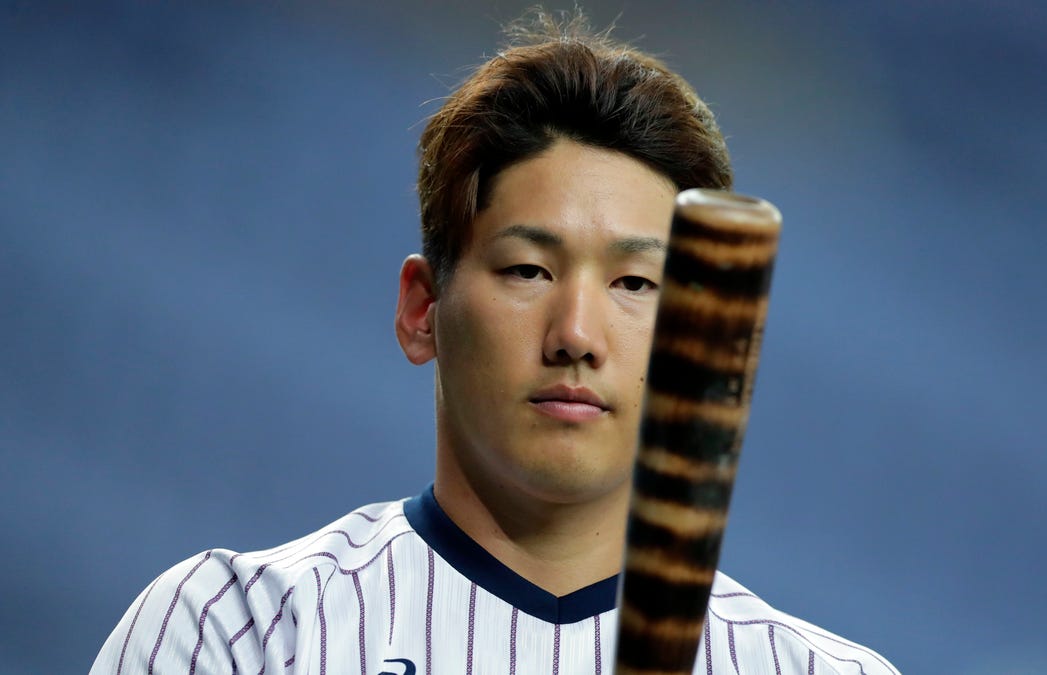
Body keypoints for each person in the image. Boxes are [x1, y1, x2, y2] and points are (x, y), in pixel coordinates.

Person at [92, 10, 899, 675]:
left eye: (634, 284)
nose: (576, 335)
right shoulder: (237, 633)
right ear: (422, 309)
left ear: (703, 341)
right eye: (527, 269)